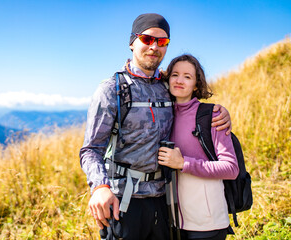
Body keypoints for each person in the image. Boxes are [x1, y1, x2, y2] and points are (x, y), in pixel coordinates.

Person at [80, 13, 231, 240]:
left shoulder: (167, 85)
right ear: (132, 42)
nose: (154, 47)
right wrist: (100, 187)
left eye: (162, 42)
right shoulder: (113, 89)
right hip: (124, 202)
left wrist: (219, 113)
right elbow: (91, 150)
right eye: (147, 39)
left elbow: (191, 104)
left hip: (165, 200)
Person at [158, 54, 239, 240]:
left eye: (187, 76)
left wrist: (183, 163)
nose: (179, 80)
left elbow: (231, 168)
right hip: (173, 221)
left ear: (196, 84)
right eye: (175, 75)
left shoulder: (212, 115)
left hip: (207, 223)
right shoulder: (163, 114)